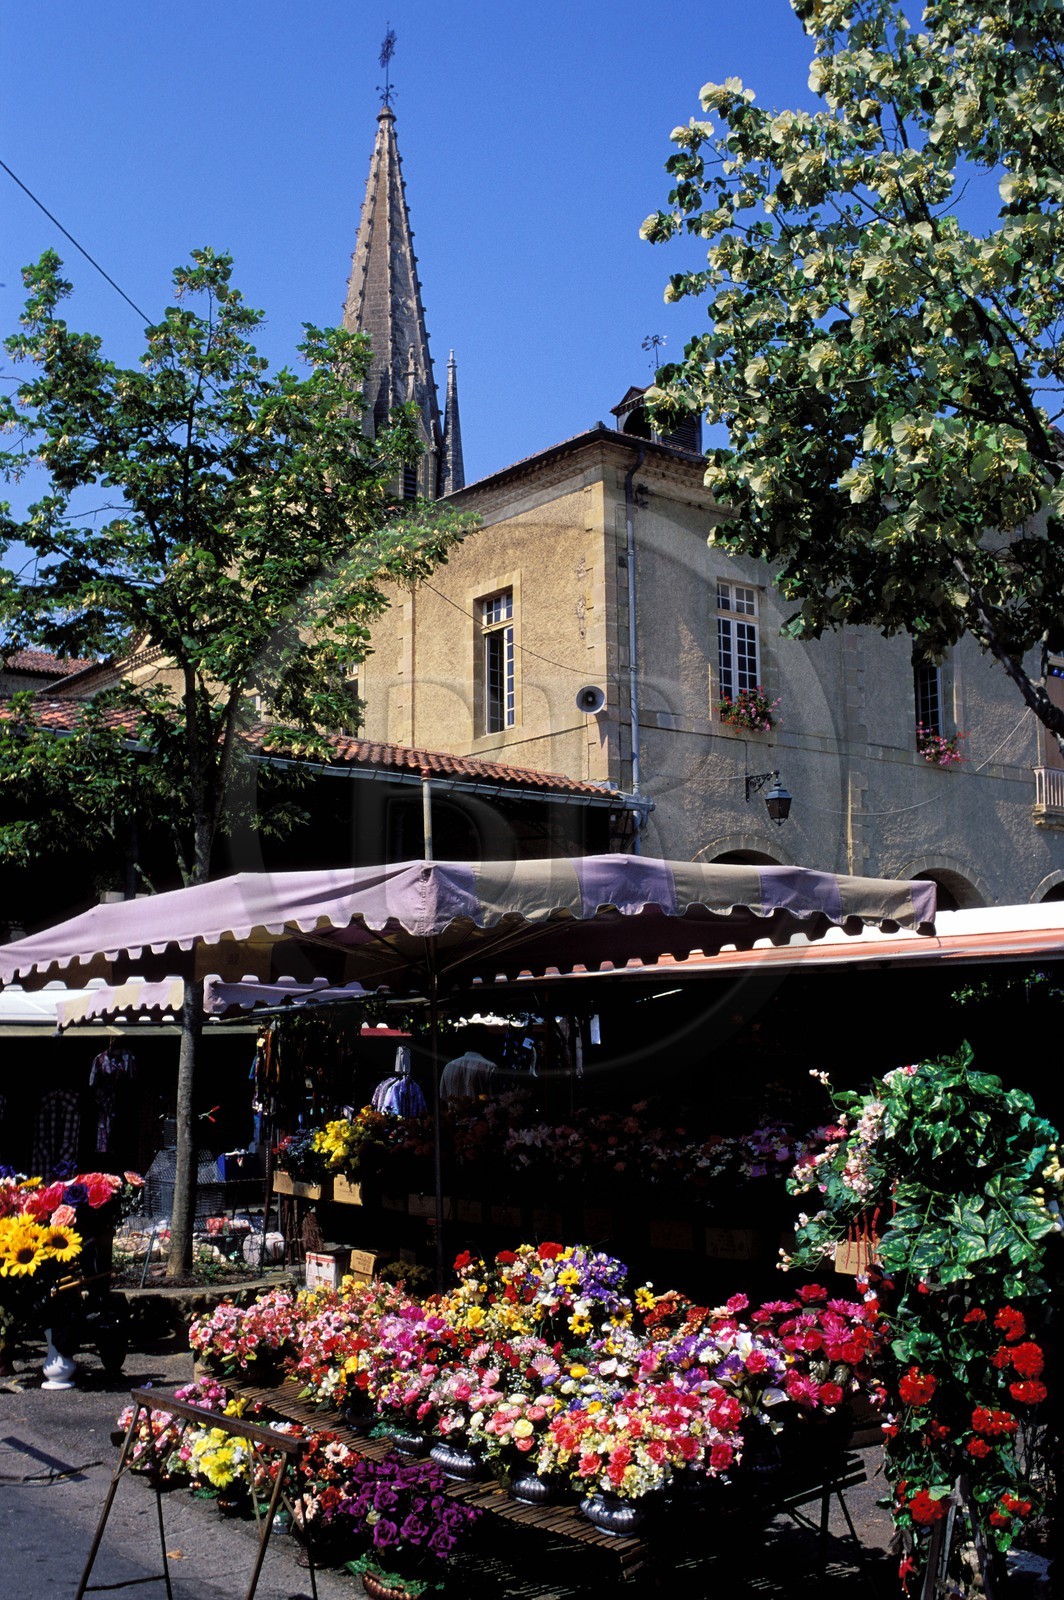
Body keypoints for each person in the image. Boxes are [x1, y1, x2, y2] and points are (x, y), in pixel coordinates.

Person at [439, 1029, 498, 1102]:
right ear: (484, 1041)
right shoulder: (490, 1067)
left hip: (454, 1112)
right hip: (479, 1113)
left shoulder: (448, 1066)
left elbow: (443, 1097)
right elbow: (494, 1101)